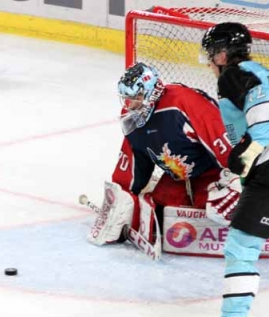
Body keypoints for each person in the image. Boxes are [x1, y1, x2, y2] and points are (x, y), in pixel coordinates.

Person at [192, 22, 269, 317]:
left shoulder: (233, 75)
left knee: (241, 246)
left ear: (222, 54)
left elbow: (264, 119)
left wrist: (243, 162)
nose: (209, 61)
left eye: (212, 54)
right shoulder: (260, 70)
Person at [88, 62, 237, 248]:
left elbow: (223, 138)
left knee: (218, 209)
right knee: (155, 213)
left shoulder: (183, 103)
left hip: (211, 174)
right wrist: (121, 198)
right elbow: (134, 161)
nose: (129, 105)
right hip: (178, 179)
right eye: (126, 98)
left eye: (136, 97)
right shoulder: (131, 116)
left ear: (153, 92)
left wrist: (237, 179)